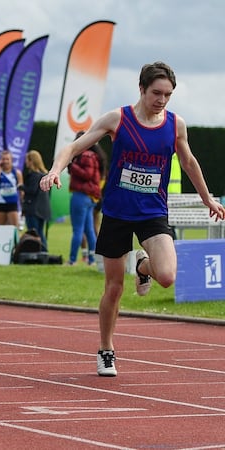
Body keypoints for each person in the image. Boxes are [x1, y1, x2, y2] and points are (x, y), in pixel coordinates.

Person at [40, 61, 225, 377]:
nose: (162, 100)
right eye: (156, 93)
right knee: (113, 287)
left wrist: (206, 197)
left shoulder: (175, 124)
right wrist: (56, 169)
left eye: (168, 94)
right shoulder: (118, 119)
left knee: (166, 275)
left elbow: (190, 161)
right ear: (142, 89)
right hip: (116, 213)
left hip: (153, 212)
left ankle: (143, 266)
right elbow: (73, 145)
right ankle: (106, 349)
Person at [66, 131, 103, 266]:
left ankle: (72, 260)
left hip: (81, 195)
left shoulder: (85, 156)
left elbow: (87, 174)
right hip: (90, 197)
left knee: (78, 230)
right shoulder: (93, 155)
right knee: (89, 230)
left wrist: (71, 165)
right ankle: (93, 260)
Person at [19, 150, 51, 250]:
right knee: (40, 231)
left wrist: (21, 187)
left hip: (33, 209)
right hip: (43, 209)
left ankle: (40, 251)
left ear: (31, 161)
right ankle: (44, 251)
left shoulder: (33, 176)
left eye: (27, 160)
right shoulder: (44, 175)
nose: (26, 162)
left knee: (33, 232)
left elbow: (32, 190)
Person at [0, 149, 23, 226]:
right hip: (0, 203)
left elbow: (21, 188)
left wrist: (22, 202)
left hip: (12, 203)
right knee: (1, 228)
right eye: (3, 159)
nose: (5, 161)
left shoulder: (17, 173)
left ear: (11, 160)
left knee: (14, 227)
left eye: (7, 159)